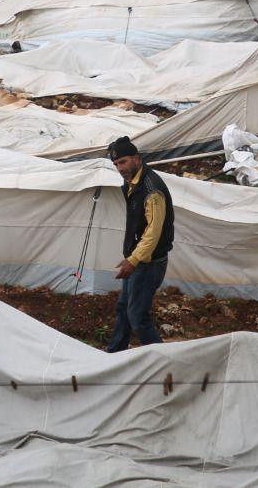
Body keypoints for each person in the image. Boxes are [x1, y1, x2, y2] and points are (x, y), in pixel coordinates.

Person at [104, 137, 174, 353]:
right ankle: (115, 354)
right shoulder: (131, 182)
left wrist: (132, 261)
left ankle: (162, 363)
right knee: (124, 308)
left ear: (136, 158)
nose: (119, 168)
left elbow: (153, 233)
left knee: (137, 316)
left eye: (123, 162)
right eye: (115, 164)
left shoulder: (152, 190)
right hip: (137, 259)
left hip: (148, 263)